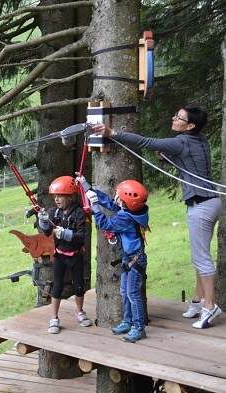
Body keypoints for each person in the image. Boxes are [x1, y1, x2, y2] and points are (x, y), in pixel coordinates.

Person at [93, 105, 222, 329]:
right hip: (209, 203)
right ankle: (197, 300)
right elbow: (188, 162)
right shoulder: (199, 140)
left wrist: (112, 133)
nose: (174, 118)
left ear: (189, 125)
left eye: (179, 117)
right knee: (198, 256)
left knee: (201, 259)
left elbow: (147, 142)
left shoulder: (181, 142)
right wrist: (166, 159)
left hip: (200, 206)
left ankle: (210, 306)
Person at [79, 176, 150, 342]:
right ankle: (127, 321)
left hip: (135, 260)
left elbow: (106, 224)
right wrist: (87, 187)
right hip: (129, 258)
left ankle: (139, 328)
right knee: (125, 292)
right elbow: (111, 203)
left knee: (133, 293)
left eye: (119, 196)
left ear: (126, 202)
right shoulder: (132, 211)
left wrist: (95, 206)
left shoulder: (126, 218)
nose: (116, 198)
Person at [37, 176, 92, 334]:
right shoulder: (54, 212)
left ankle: (80, 311)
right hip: (60, 256)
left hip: (75, 256)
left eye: (60, 196)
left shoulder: (79, 214)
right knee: (57, 286)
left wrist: (65, 234)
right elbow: (47, 232)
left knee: (79, 286)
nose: (57, 200)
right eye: (55, 197)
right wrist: (43, 221)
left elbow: (81, 236)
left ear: (70, 196)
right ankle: (54, 318)